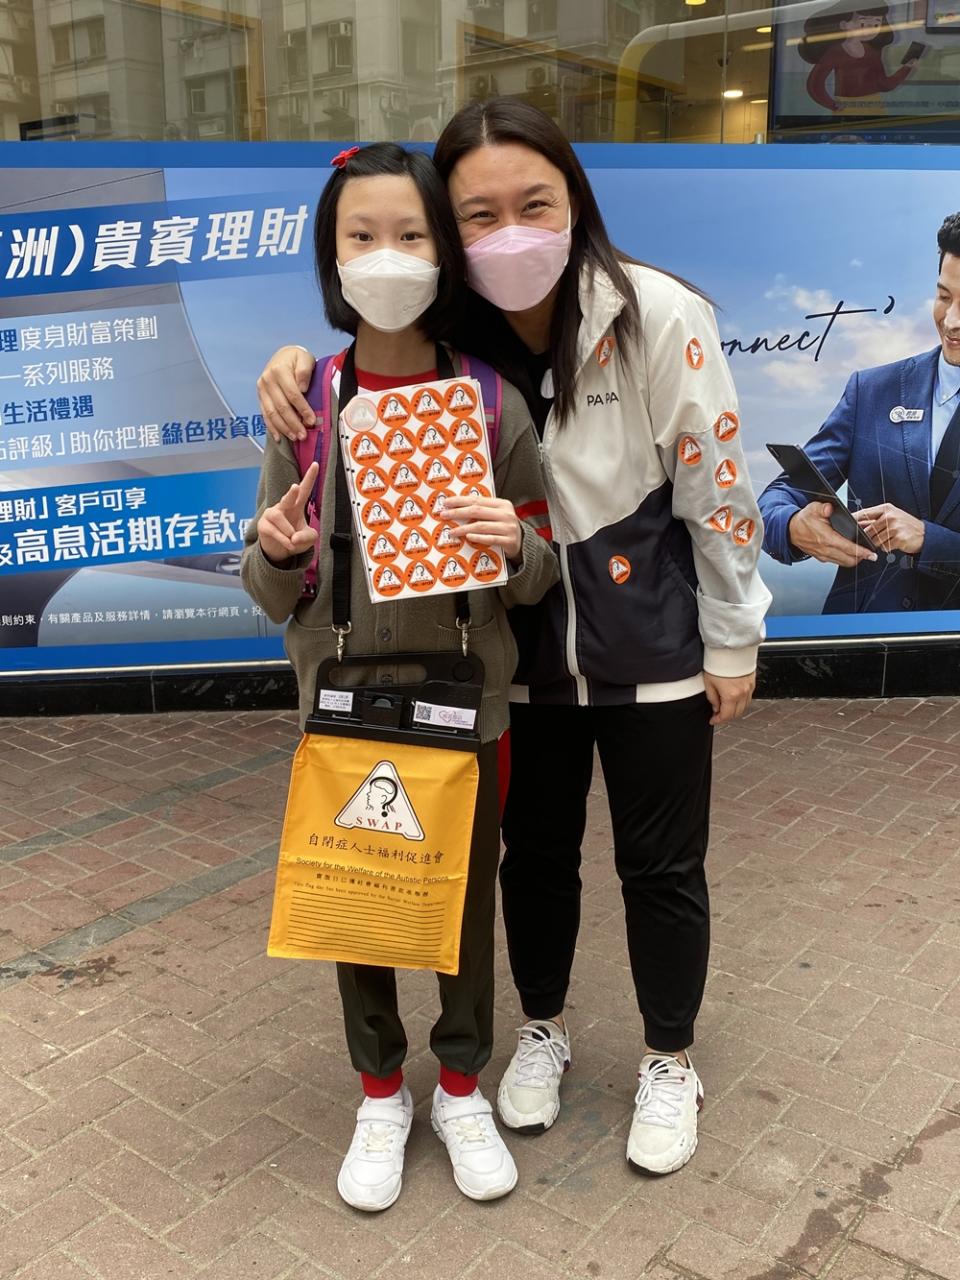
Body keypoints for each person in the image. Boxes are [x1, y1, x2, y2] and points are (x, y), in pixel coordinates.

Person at [255, 99, 770, 1177]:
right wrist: (295, 367)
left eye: (534, 204)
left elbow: (716, 486)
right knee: (529, 862)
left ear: (574, 197)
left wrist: (732, 638)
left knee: (659, 864)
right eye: (478, 215)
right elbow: (358, 381)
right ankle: (541, 1027)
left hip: (650, 648)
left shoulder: (652, 314)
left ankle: (669, 1057)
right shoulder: (459, 337)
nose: (510, 235)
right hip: (513, 669)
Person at [241, 142, 557, 1211]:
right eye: (362, 235)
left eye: (412, 233)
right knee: (357, 898)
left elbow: (543, 562)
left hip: (468, 701)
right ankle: (381, 1090)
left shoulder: (488, 398)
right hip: (343, 700)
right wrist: (277, 550)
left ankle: (462, 1084)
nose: (387, 256)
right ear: (332, 256)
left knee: (463, 900)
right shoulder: (307, 401)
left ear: (444, 250)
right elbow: (268, 584)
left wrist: (513, 547)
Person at [759, 212, 960, 614]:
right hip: (860, 641)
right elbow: (775, 500)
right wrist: (795, 527)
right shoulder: (871, 391)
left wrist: (928, 540)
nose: (951, 321)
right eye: (944, 297)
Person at [798, 4, 920, 115]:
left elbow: (884, 84)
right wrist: (832, 104)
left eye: (876, 24)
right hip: (847, 108)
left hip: (875, 106)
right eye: (863, 23)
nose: (871, 29)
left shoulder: (873, 52)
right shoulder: (835, 53)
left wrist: (907, 68)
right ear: (843, 25)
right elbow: (815, 84)